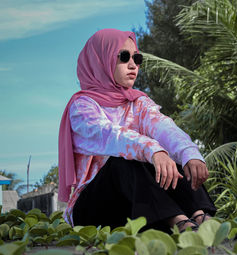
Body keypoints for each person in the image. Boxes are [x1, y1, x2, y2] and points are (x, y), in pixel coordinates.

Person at [58, 29, 216, 233]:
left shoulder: (137, 101)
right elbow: (111, 135)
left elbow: (162, 126)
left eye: (137, 58)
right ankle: (176, 220)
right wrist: (152, 150)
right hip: (92, 209)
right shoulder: (82, 107)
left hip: (134, 205)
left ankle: (200, 214)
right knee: (124, 160)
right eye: (124, 57)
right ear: (101, 59)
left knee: (174, 155)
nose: (133, 65)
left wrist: (189, 153)